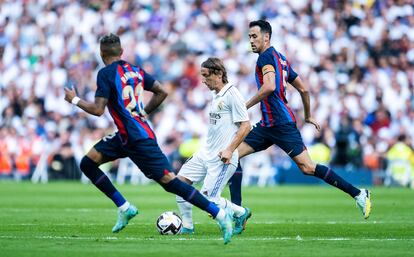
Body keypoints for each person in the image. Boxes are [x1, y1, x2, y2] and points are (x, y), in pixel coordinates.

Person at [63, 33, 233, 244]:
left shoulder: (105, 73)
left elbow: (98, 110)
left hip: (137, 138)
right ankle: (125, 208)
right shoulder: (134, 70)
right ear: (122, 52)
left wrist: (74, 99)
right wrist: (144, 113)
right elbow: (161, 91)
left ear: (101, 53)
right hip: (126, 135)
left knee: (170, 182)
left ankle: (219, 214)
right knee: (88, 163)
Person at [228, 20, 372, 229]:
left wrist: (244, 106)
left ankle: (359, 193)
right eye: (249, 36)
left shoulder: (266, 57)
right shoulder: (281, 59)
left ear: (266, 37)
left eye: (254, 36)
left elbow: (268, 87)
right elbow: (303, 89)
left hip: (281, 124)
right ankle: (238, 212)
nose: (250, 40)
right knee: (233, 155)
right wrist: (308, 115)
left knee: (307, 167)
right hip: (268, 125)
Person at [175, 57, 252, 235]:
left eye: (206, 75)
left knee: (208, 199)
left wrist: (230, 149)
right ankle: (187, 226)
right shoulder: (216, 95)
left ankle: (241, 212)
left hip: (222, 158)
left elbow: (246, 125)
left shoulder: (232, 94)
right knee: (178, 184)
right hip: (206, 153)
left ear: (218, 74)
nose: (202, 80)